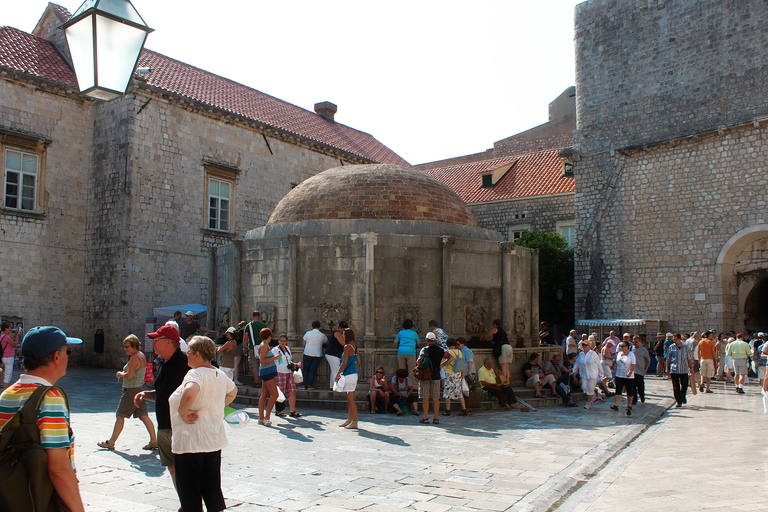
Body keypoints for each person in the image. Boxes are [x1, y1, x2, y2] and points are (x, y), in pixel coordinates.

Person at [0, 326, 85, 511]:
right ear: (56, 357)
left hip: (12, 496)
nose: (68, 357)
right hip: (41, 497)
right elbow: (58, 468)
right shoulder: (50, 398)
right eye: (67, 351)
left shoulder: (5, 395)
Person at [169, 335, 238, 512]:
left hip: (191, 440)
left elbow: (190, 392)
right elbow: (233, 391)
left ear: (197, 354)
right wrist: (216, 406)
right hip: (212, 440)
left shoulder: (195, 373)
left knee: (190, 492)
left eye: (189, 352)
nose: (187, 356)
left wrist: (183, 412)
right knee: (212, 488)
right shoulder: (218, 373)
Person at [135, 324, 189, 490]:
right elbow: (163, 392)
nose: (153, 344)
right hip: (164, 426)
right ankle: (185, 504)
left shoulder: (185, 363)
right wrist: (146, 395)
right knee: (172, 468)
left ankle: (192, 505)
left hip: (179, 427)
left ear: (169, 342)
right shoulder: (164, 363)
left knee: (184, 471)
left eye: (156, 340)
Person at [97, 334, 157, 451]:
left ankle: (111, 442)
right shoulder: (141, 355)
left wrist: (120, 374)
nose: (125, 349)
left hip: (132, 391)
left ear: (134, 346)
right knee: (143, 416)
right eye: (124, 346)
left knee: (120, 415)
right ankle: (154, 441)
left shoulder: (134, 358)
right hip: (140, 389)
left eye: (127, 346)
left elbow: (129, 376)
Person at [416, 332, 449, 424]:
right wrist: (442, 365)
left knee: (425, 398)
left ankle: (426, 417)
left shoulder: (424, 350)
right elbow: (451, 357)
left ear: (426, 340)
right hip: (436, 375)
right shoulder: (440, 350)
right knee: (435, 398)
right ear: (435, 340)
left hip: (425, 376)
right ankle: (436, 417)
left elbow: (419, 361)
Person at [257, 328, 282, 426]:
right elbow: (262, 361)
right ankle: (267, 417)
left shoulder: (263, 345)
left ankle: (261, 418)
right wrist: (275, 358)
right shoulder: (264, 346)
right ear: (269, 337)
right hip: (267, 372)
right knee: (275, 395)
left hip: (266, 371)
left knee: (264, 395)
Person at [274, 334, 301, 418]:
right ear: (278, 341)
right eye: (281, 341)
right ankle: (278, 410)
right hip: (280, 372)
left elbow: (288, 360)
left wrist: (294, 364)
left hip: (289, 372)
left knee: (292, 390)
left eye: (284, 341)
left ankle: (292, 411)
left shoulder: (288, 349)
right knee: (281, 392)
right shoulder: (275, 350)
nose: (282, 342)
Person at [336, 329, 359, 429]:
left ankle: (355, 421)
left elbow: (344, 364)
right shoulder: (355, 347)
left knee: (351, 400)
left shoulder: (346, 347)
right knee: (350, 400)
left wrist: (337, 375)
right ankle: (350, 420)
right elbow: (359, 362)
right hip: (353, 374)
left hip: (348, 375)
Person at [443, 338, 468, 416]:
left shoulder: (449, 352)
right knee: (459, 392)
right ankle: (464, 409)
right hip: (458, 373)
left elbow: (449, 359)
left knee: (447, 392)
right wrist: (462, 374)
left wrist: (442, 364)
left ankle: (448, 410)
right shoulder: (459, 352)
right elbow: (463, 364)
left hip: (450, 373)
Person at [483, 319, 512, 385]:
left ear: (495, 324)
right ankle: (508, 382)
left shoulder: (495, 329)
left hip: (503, 347)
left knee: (503, 367)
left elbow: (487, 336)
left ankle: (503, 382)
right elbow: (494, 338)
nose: (492, 325)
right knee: (507, 367)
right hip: (509, 347)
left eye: (493, 324)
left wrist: (482, 339)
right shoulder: (502, 331)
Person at [243, 311, 268, 388]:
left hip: (252, 347)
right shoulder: (264, 325)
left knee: (254, 366)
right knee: (263, 365)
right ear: (259, 317)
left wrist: (244, 348)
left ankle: (256, 382)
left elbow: (245, 338)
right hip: (263, 347)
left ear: (252, 316)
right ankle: (264, 382)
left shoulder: (249, 325)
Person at [611, 340, 636, 416]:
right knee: (618, 390)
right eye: (620, 346)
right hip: (619, 374)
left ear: (627, 347)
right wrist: (615, 372)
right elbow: (616, 363)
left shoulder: (631, 354)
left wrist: (630, 372)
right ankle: (616, 405)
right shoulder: (619, 354)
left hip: (628, 376)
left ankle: (629, 405)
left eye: (623, 346)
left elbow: (633, 364)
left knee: (629, 391)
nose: (621, 348)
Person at [574, 338, 601, 409]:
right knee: (584, 388)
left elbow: (599, 364)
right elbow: (577, 363)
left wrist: (601, 374)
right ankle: (594, 395)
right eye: (583, 345)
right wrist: (574, 370)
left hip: (593, 374)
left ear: (589, 346)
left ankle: (588, 403)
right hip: (584, 374)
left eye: (586, 345)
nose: (584, 347)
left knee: (590, 389)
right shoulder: (580, 354)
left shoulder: (593, 354)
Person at [667, 333, 692, 407]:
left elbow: (689, 358)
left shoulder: (686, 347)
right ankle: (678, 401)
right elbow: (668, 358)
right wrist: (667, 369)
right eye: (673, 339)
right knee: (676, 386)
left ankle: (683, 396)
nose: (674, 341)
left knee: (684, 385)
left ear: (679, 339)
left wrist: (691, 368)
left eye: (675, 339)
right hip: (674, 369)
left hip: (684, 369)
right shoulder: (671, 347)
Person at [302, 320, 327, 389]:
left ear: (312, 326)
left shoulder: (308, 333)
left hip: (307, 353)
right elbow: (327, 342)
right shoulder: (322, 335)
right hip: (317, 354)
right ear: (319, 326)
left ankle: (303, 384)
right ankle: (310, 385)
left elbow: (303, 343)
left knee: (305, 370)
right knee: (313, 370)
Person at [325, 322, 347, 389]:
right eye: (342, 328)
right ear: (339, 328)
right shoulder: (337, 333)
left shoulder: (340, 334)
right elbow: (344, 344)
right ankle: (336, 386)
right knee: (336, 370)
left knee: (334, 370)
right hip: (332, 354)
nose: (343, 330)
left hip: (334, 354)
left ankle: (332, 386)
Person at [630, 335, 650, 404]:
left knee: (640, 386)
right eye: (633, 342)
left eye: (636, 342)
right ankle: (634, 399)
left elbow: (648, 360)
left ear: (640, 342)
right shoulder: (631, 349)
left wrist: (645, 369)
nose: (634, 343)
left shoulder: (644, 350)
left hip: (640, 371)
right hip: (632, 371)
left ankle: (642, 396)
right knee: (632, 386)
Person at [0, 321, 20, 388]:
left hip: (4, 356)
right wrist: (17, 337)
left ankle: (6, 387)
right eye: (9, 328)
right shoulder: (6, 337)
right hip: (8, 357)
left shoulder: (3, 336)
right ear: (6, 329)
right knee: (8, 374)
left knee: (6, 373)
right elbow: (15, 344)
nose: (10, 329)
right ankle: (6, 389)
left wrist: (16, 335)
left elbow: (12, 339)